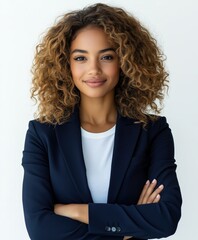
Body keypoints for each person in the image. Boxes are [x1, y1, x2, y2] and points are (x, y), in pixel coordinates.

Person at [22, 3, 182, 240]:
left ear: (125, 62)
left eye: (106, 56)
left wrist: (76, 211)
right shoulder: (42, 134)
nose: (94, 69)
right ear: (66, 65)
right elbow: (40, 228)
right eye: (80, 58)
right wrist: (128, 227)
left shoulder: (152, 131)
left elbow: (165, 218)